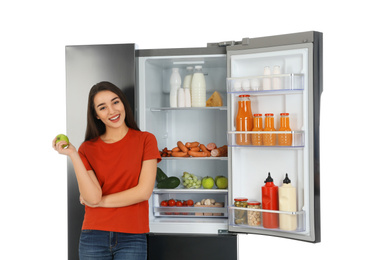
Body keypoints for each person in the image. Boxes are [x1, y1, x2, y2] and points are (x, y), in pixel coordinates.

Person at [53, 81, 161, 260]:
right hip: (93, 235)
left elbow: (143, 192)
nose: (112, 111)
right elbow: (92, 196)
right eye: (103, 107)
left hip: (132, 235)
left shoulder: (146, 140)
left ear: (123, 103)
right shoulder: (87, 148)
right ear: (96, 115)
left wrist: (96, 203)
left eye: (115, 102)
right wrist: (73, 154)